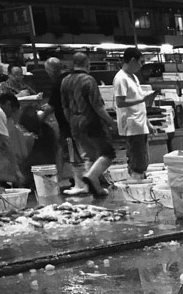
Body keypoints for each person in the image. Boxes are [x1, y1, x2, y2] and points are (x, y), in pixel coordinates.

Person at [62, 51, 118, 197]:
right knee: (108, 153)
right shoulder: (88, 80)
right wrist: (111, 122)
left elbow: (65, 107)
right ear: (88, 64)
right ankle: (92, 177)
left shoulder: (65, 81)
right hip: (91, 122)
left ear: (73, 64)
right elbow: (97, 106)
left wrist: (72, 123)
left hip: (74, 122)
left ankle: (93, 188)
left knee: (88, 156)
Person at [43, 57, 88, 196]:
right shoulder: (74, 78)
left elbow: (52, 105)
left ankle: (80, 184)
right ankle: (86, 182)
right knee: (84, 152)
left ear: (51, 70)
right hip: (83, 120)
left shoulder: (59, 83)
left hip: (68, 124)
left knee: (73, 153)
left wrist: (39, 117)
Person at [114, 47, 155, 181]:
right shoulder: (121, 78)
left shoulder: (133, 77)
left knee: (143, 158)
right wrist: (142, 99)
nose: (141, 65)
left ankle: (140, 179)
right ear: (132, 60)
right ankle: (136, 183)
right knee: (137, 160)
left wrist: (148, 122)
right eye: (140, 62)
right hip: (132, 125)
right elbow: (120, 102)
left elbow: (140, 103)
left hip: (140, 123)